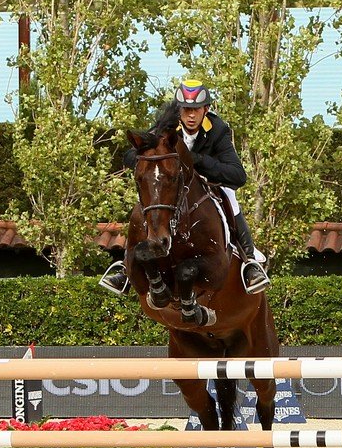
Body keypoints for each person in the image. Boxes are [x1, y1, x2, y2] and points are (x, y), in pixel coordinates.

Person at [100, 79, 271, 295]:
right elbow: (129, 156)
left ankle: (249, 261)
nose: (191, 115)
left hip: (208, 186)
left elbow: (237, 175)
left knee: (230, 196)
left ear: (206, 109)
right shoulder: (164, 128)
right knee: (150, 200)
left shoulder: (218, 129)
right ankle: (125, 267)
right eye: (186, 109)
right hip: (173, 186)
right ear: (179, 109)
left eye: (196, 109)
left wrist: (196, 159)